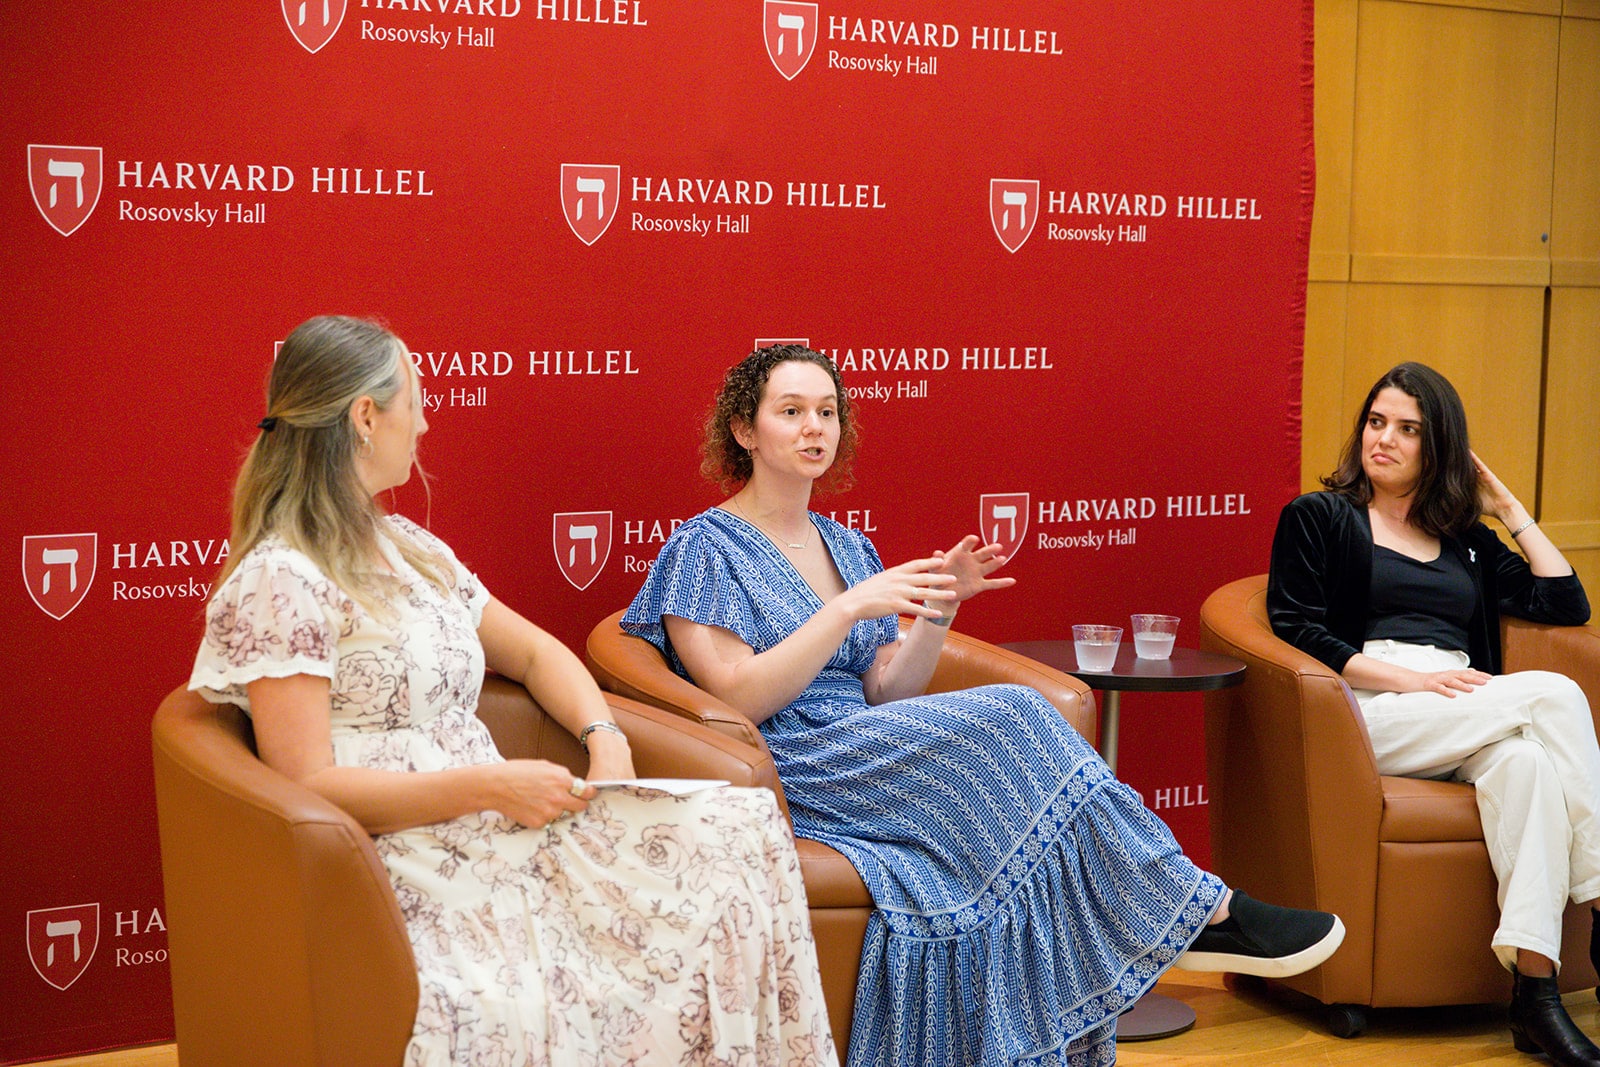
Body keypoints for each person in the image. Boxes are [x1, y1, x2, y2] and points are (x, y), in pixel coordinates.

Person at [621, 343, 1345, 1067]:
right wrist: (844, 610)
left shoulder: (847, 544)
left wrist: (936, 612)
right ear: (744, 431)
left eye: (827, 411)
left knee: (1015, 759)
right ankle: (1199, 913)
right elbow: (733, 691)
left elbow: (886, 689)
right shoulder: (703, 547)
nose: (815, 427)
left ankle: (1181, 915)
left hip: (870, 740)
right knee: (1018, 711)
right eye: (791, 411)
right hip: (798, 763)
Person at [189, 317, 838, 1067]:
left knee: (742, 826)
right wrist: (488, 786)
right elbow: (305, 780)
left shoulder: (412, 551)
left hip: (501, 814)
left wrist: (606, 739)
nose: (426, 421)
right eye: (416, 401)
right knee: (586, 976)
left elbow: (533, 652)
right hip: (406, 851)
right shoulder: (283, 579)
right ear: (366, 417)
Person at [1268, 361, 1596, 1066]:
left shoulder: (1468, 541)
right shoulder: (1320, 517)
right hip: (1369, 708)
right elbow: (1294, 625)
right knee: (1557, 696)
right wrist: (1407, 681)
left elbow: (1566, 603)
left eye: (1408, 429)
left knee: (1531, 764)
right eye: (1376, 421)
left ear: (1439, 447)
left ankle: (1534, 998)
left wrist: (1507, 506)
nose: (1383, 438)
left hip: (1462, 706)